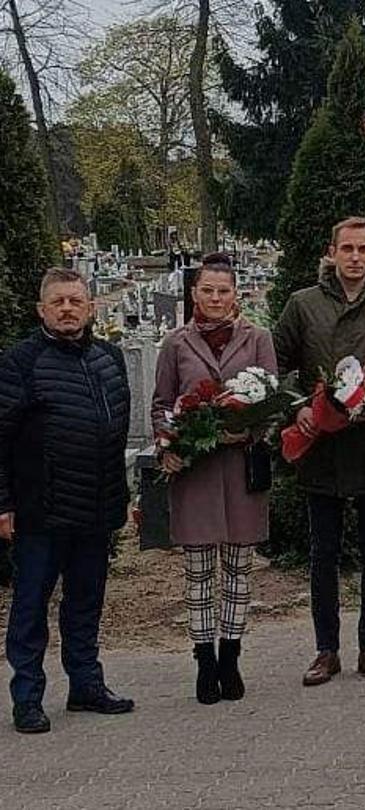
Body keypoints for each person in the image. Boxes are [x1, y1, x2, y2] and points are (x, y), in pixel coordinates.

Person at [274, 216, 365, 686]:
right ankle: (326, 650)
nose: (355, 258)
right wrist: (297, 407)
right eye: (347, 249)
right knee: (324, 552)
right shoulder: (302, 305)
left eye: (364, 249)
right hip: (323, 445)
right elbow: (277, 364)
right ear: (331, 252)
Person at [0, 268, 136, 734]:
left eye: (75, 301)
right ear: (41, 309)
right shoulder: (21, 362)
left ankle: (86, 685)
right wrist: (4, 504)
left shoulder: (110, 358)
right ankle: (27, 697)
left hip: (96, 508)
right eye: (57, 302)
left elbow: (116, 428)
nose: (66, 309)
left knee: (85, 603)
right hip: (42, 510)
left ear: (90, 308)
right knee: (31, 606)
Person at [153, 254, 277, 704]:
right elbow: (161, 404)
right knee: (200, 570)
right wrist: (169, 442)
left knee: (239, 570)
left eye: (223, 291)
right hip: (196, 469)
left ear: (236, 295)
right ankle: (204, 660)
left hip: (241, 466)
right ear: (195, 294)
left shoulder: (258, 338)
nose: (216, 298)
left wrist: (249, 427)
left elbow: (272, 398)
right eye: (207, 290)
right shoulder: (176, 343)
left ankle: (232, 656)